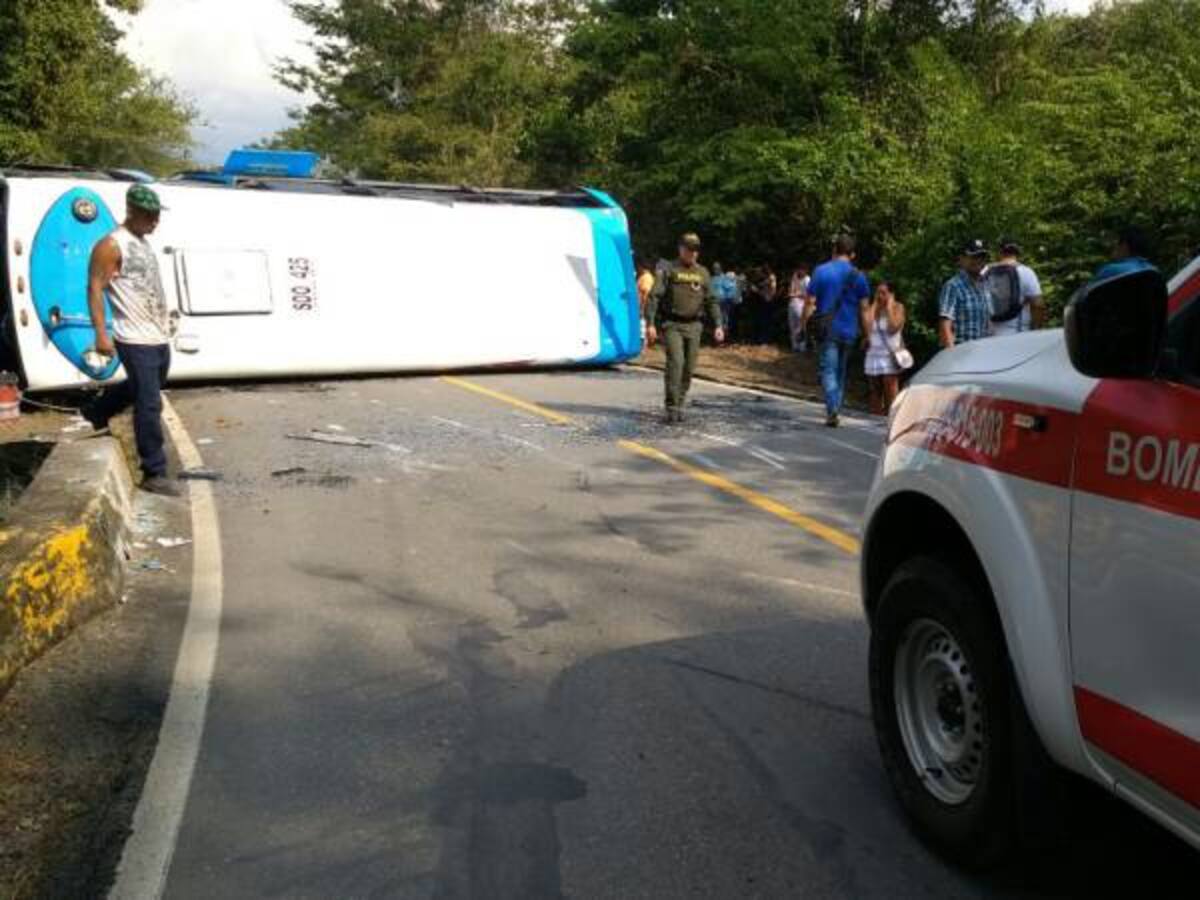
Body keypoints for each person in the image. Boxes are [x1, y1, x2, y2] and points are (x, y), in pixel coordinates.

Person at [82, 184, 180, 496]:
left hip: (156, 334)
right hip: (133, 337)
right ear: (131, 211)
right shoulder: (110, 245)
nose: (155, 222)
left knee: (147, 387)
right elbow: (94, 288)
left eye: (157, 215)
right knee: (149, 403)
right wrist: (101, 333)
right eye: (149, 216)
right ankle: (154, 471)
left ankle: (98, 410)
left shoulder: (142, 242)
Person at [646, 232, 725, 423]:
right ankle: (672, 407)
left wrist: (718, 324)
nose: (693, 253)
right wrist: (650, 323)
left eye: (696, 250)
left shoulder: (703, 272)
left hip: (695, 325)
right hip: (672, 324)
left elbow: (712, 300)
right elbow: (655, 296)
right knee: (676, 363)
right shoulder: (668, 269)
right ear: (681, 249)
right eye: (689, 249)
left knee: (689, 368)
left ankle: (680, 402)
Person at [804, 235, 870, 427]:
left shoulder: (821, 271)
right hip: (849, 330)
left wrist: (804, 325)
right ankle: (835, 409)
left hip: (827, 328)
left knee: (828, 370)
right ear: (853, 254)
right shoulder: (859, 277)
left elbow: (810, 302)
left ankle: (832, 408)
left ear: (834, 250)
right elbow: (865, 309)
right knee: (840, 371)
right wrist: (867, 334)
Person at [860, 282, 907, 415]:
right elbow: (867, 326)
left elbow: (893, 328)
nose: (880, 296)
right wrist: (875, 305)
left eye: (883, 293)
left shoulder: (898, 307)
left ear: (891, 294)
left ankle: (892, 413)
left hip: (890, 353)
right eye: (877, 292)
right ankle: (875, 414)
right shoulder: (874, 309)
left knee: (890, 384)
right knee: (874, 386)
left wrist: (889, 307)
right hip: (873, 352)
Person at [938, 238, 993, 349]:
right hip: (962, 353)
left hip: (985, 352)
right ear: (962, 259)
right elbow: (945, 325)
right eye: (973, 256)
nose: (978, 260)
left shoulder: (987, 285)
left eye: (982, 257)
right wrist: (952, 355)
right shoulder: (953, 286)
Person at [987, 240, 1044, 337]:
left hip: (990, 333)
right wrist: (1036, 330)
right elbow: (1038, 304)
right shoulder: (1026, 272)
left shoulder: (986, 271)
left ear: (1000, 253)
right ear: (1018, 253)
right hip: (1018, 332)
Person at [1093, 226, 1157, 281]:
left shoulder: (1109, 271)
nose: (1113, 246)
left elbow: (1090, 291)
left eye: (1117, 242)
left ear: (1124, 245)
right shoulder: (1154, 271)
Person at [787, 266, 811, 351]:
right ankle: (794, 346)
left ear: (805, 270)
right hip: (792, 304)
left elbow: (808, 295)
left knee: (801, 327)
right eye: (797, 270)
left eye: (800, 270)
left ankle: (802, 347)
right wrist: (793, 294)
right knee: (792, 326)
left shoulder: (807, 280)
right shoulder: (795, 277)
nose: (798, 272)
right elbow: (790, 291)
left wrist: (796, 294)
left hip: (802, 305)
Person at [637, 261, 656, 343]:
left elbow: (646, 293)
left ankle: (644, 345)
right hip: (641, 308)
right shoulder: (644, 277)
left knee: (642, 333)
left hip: (643, 308)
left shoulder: (646, 277)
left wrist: (642, 308)